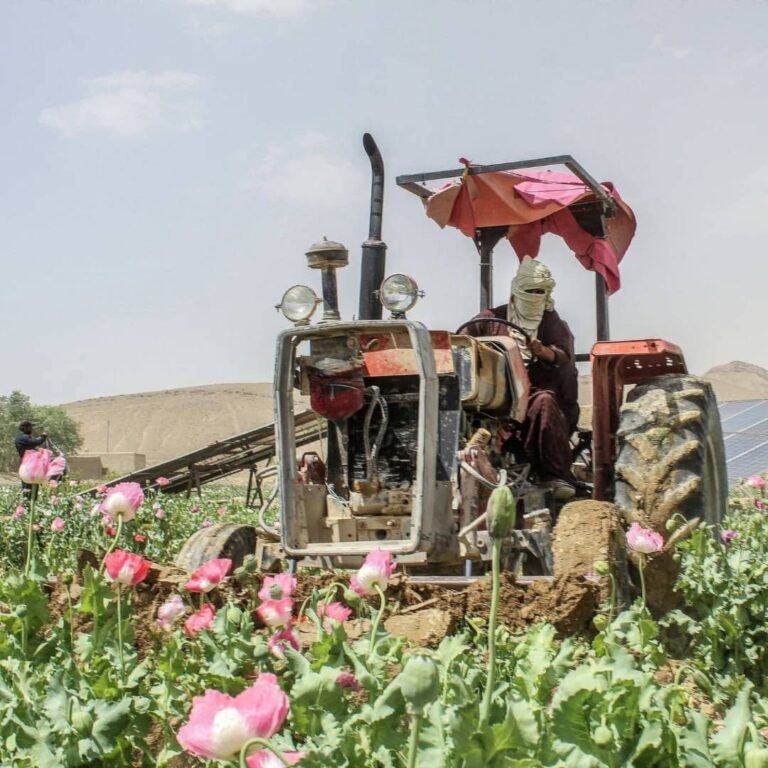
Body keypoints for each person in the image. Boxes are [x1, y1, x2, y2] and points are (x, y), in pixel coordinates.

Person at [472, 256, 580, 499]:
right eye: (529, 290)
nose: (534, 295)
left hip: (534, 395)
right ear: (516, 289)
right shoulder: (490, 318)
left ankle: (554, 475)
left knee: (544, 402)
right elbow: (465, 341)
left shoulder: (551, 321)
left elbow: (563, 355)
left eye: (540, 291)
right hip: (492, 397)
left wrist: (544, 351)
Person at [15, 420, 47, 497]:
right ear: (25, 428)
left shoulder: (22, 437)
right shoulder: (23, 437)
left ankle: (29, 505)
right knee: (28, 489)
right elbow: (36, 442)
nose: (32, 429)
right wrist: (43, 436)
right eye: (30, 427)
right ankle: (27, 506)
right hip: (28, 466)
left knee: (32, 488)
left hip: (29, 465)